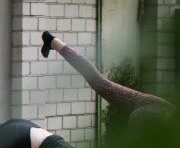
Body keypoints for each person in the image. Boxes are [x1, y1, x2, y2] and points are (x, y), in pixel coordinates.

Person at [41, 31, 175, 129]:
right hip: (149, 115)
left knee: (99, 83)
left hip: (154, 107)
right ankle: (52, 41)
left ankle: (53, 42)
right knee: (99, 83)